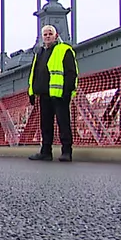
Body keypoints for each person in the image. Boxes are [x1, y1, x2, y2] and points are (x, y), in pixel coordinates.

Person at [27, 24, 78, 162]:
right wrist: (31, 92)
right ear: (42, 37)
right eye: (45, 34)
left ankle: (67, 151)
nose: (48, 36)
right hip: (44, 95)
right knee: (45, 124)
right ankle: (46, 152)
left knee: (63, 123)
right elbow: (34, 74)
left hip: (60, 94)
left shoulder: (64, 50)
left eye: (50, 33)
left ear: (56, 36)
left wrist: (67, 91)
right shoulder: (39, 53)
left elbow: (71, 72)